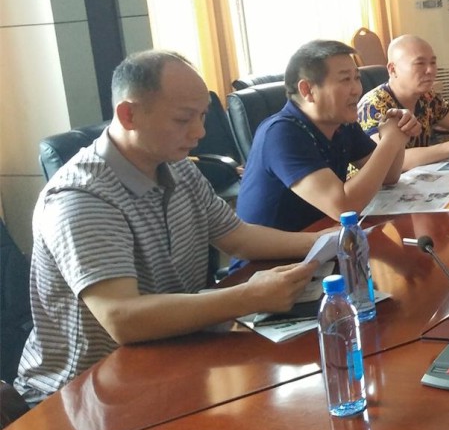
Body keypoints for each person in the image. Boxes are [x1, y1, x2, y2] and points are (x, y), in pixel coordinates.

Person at [14, 51, 326, 404]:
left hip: (170, 358)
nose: (200, 132)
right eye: (183, 119)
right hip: (82, 394)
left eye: (202, 116)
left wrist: (321, 241)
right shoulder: (81, 197)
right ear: (129, 115)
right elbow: (122, 318)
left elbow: (238, 237)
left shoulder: (177, 166)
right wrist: (250, 297)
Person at [237, 40, 418, 233]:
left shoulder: (341, 123)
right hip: (276, 250)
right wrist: (389, 141)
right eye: (345, 79)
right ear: (307, 90)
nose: (357, 89)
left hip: (323, 236)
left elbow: (389, 177)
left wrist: (399, 133)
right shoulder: (281, 133)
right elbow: (344, 208)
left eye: (357, 78)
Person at [357, 35, 449, 171]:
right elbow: (386, 162)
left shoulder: (428, 97)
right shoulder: (373, 105)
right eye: (420, 64)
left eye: (433, 63)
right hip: (376, 184)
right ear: (392, 69)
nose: (430, 70)